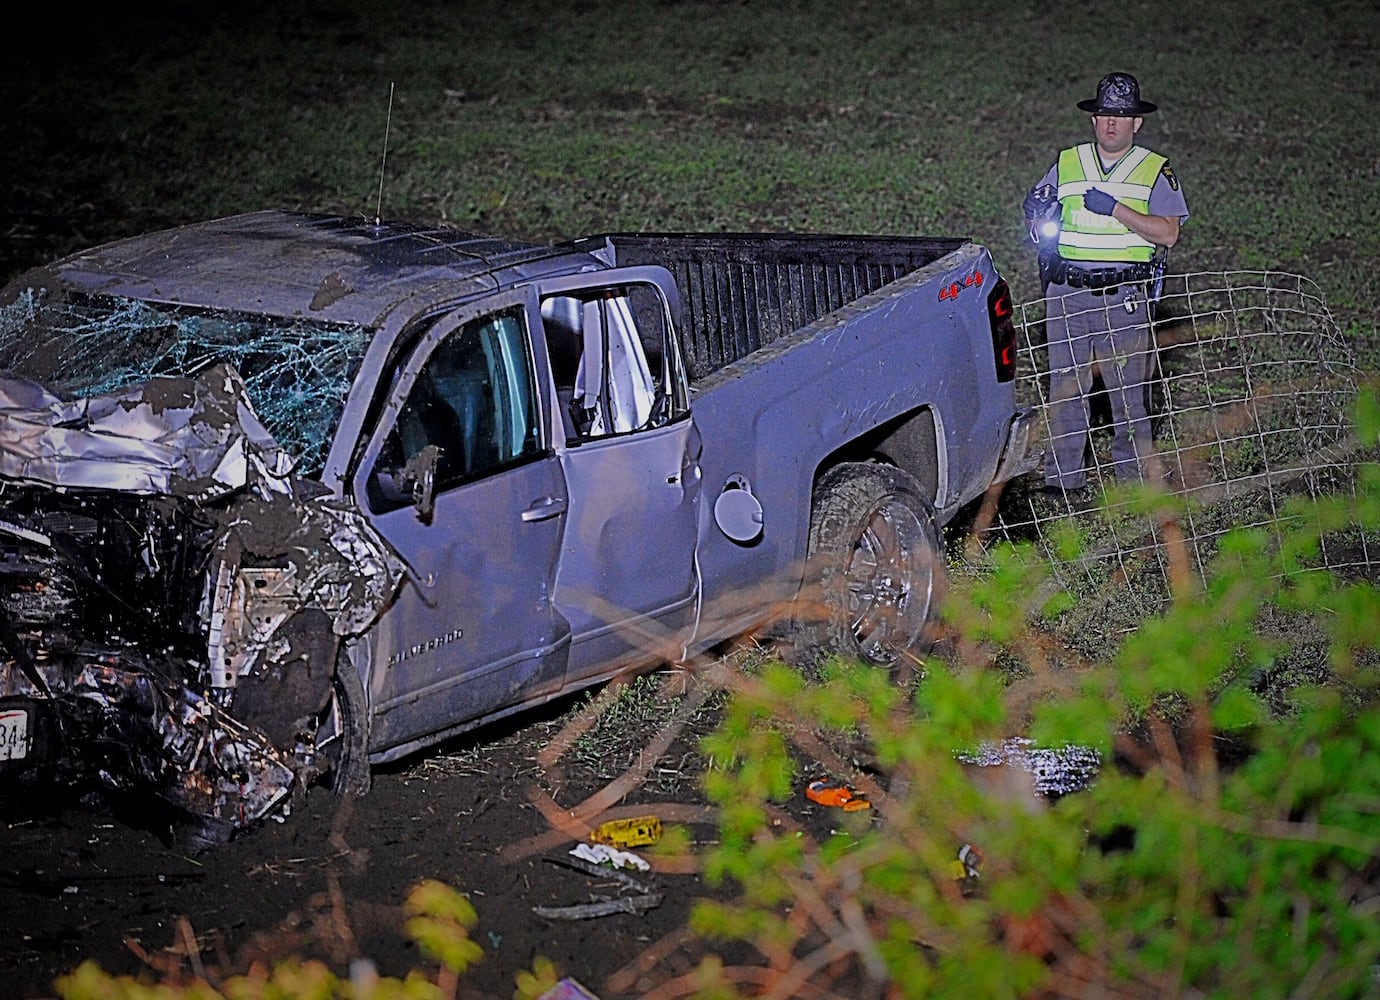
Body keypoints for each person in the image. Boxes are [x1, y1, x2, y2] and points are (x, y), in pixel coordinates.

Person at [1023, 72, 1189, 500]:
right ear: (1093, 119)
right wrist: (1037, 215)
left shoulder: (1154, 169)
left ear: (1137, 123)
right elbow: (1040, 218)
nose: (1111, 123)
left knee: (1128, 393)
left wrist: (1116, 209)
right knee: (1065, 388)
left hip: (1125, 296)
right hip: (1068, 292)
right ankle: (1063, 482)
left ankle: (1133, 487)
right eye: (1104, 115)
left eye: (1121, 115)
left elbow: (1167, 234)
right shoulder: (1067, 162)